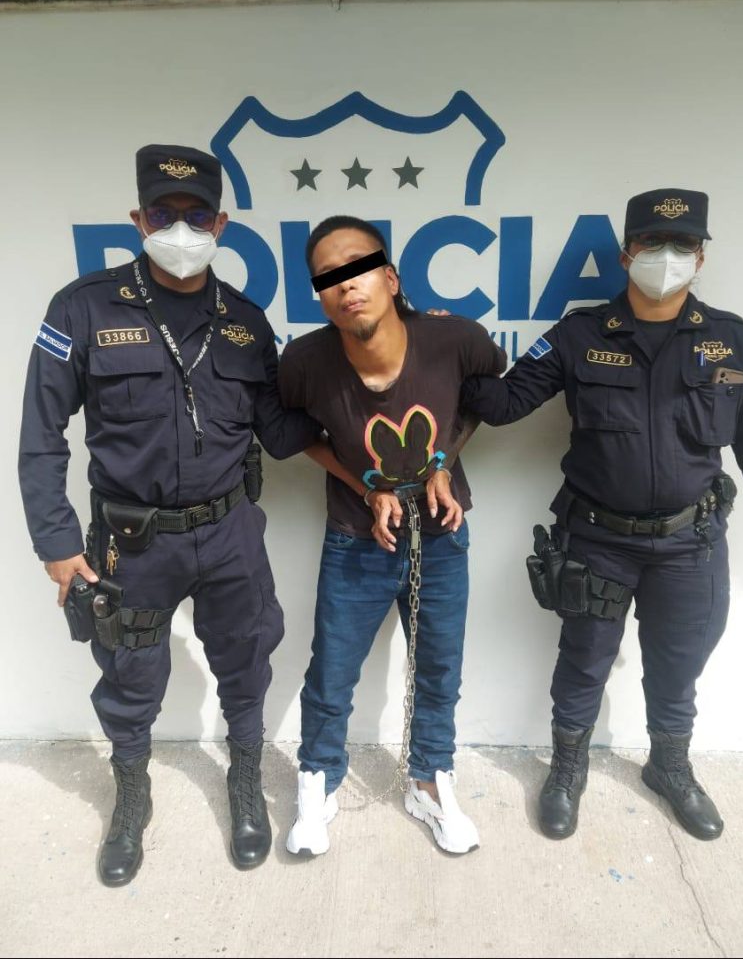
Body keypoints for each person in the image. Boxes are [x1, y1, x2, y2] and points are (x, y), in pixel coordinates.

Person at [18, 144, 320, 885]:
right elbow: (41, 435)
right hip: (132, 541)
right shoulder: (82, 308)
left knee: (246, 660)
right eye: (163, 213)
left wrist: (362, 383)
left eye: (196, 215)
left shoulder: (246, 322)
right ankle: (132, 795)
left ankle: (244, 779)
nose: (180, 228)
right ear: (138, 220)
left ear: (221, 224)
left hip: (229, 532)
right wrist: (56, 542)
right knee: (130, 676)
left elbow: (282, 432)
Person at [460, 188, 743, 841]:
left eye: (683, 243)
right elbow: (504, 404)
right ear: (627, 253)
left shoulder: (731, 341)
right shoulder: (579, 335)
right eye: (653, 241)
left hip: (690, 543)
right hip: (597, 540)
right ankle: (567, 769)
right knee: (583, 660)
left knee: (678, 664)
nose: (667, 255)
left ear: (700, 257)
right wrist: (449, 346)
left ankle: (669, 766)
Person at [278, 215, 506, 856]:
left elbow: (484, 400)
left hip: (442, 537)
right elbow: (292, 433)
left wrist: (443, 463)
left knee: (438, 669)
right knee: (332, 672)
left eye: (358, 267)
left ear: (390, 277)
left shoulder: (454, 339)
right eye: (329, 277)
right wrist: (365, 486)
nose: (346, 284)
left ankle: (430, 783)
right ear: (320, 295)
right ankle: (319, 780)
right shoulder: (305, 362)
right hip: (357, 540)